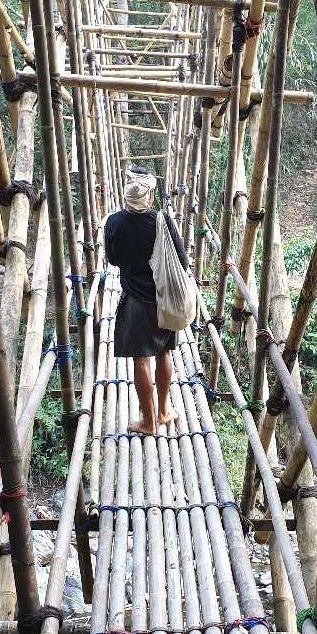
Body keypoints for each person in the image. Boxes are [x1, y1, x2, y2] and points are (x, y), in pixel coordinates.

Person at [104, 168, 191, 435]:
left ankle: (148, 422)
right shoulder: (163, 222)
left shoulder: (114, 223)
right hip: (165, 301)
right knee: (165, 353)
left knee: (141, 360)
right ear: (150, 196)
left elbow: (113, 260)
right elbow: (183, 262)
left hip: (135, 301)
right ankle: (164, 411)